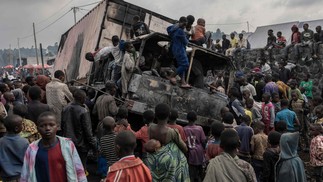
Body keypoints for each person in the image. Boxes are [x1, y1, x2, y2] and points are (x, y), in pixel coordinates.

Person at [20, 112, 87, 182]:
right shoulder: (32, 149)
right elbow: (25, 173)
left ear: (57, 127)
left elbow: (79, 170)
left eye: (51, 125)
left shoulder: (67, 145)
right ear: (38, 128)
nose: (47, 128)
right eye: (43, 126)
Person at [144, 103, 189, 181]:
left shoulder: (150, 128)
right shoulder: (172, 132)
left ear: (155, 115)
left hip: (153, 163)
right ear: (169, 116)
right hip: (167, 165)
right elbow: (185, 148)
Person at [61, 89, 97, 172]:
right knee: (81, 168)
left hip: (68, 143)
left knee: (70, 167)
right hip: (81, 145)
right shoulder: (83, 110)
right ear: (81, 98)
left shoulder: (66, 108)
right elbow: (88, 131)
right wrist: (94, 146)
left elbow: (63, 125)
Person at [0, 115, 29, 182]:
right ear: (16, 128)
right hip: (20, 175)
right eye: (21, 124)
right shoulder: (24, 142)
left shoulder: (1, 141)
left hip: (5, 176)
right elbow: (27, 160)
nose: (22, 126)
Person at [167, 16, 191, 88]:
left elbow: (168, 28)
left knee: (181, 65)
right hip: (180, 49)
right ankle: (172, 76)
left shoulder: (173, 29)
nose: (184, 26)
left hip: (174, 48)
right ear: (181, 23)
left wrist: (177, 25)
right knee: (185, 65)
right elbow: (186, 42)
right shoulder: (180, 31)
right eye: (184, 24)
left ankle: (183, 82)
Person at [183, 111, 206, 182]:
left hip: (190, 152)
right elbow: (203, 141)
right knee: (200, 171)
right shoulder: (199, 128)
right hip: (199, 152)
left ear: (187, 119)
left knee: (191, 173)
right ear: (196, 118)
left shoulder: (184, 129)